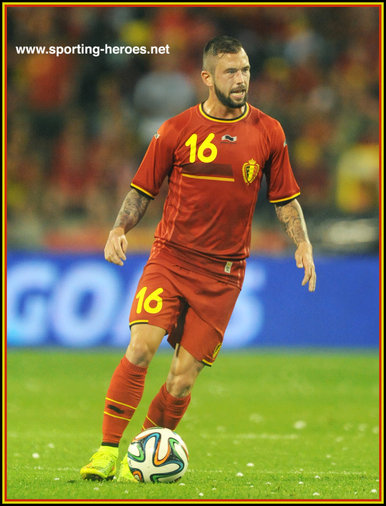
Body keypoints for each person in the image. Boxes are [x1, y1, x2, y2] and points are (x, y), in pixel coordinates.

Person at [80, 35, 316, 482]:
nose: (241, 79)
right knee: (140, 349)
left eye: (245, 70)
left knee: (181, 381)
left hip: (224, 275)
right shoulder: (175, 129)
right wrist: (118, 229)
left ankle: (141, 456)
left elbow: (285, 198)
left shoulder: (269, 132)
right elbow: (141, 190)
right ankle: (107, 451)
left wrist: (301, 242)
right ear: (207, 77)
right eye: (231, 71)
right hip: (170, 259)